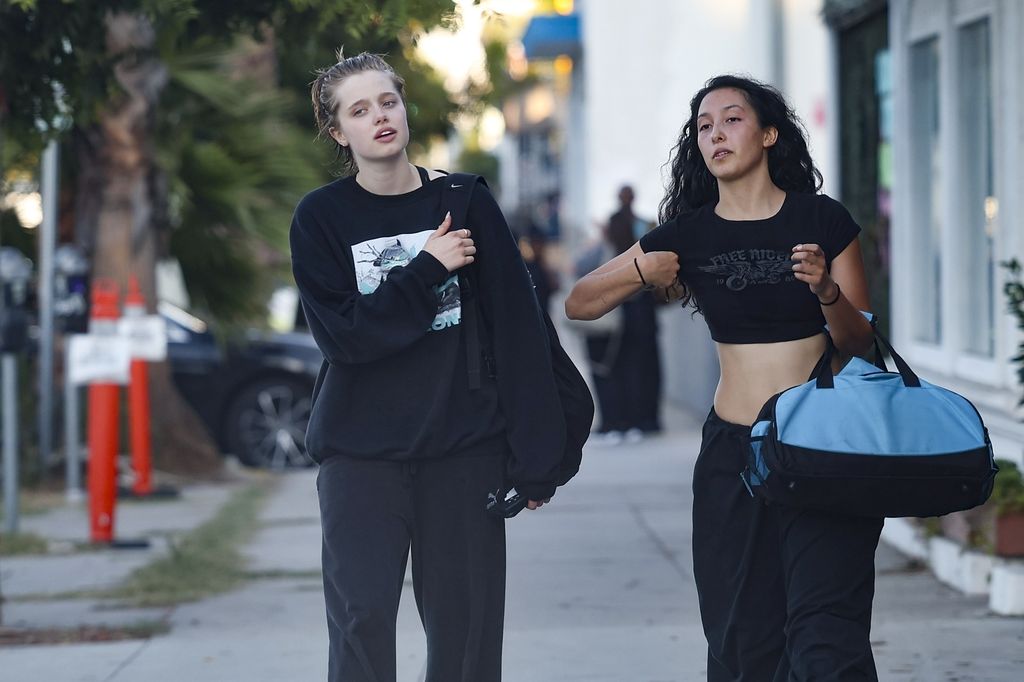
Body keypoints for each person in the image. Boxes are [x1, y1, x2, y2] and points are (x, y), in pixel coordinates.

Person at [566, 75, 880, 681]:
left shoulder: (823, 219)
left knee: (828, 636)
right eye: (704, 126)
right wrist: (640, 265)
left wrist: (826, 290)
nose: (716, 134)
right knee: (741, 634)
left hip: (821, 447)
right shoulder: (689, 234)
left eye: (731, 120)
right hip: (732, 454)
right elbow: (580, 303)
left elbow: (860, 341)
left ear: (767, 135)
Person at [291, 51, 568, 682]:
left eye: (387, 102)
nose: (379, 118)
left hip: (462, 453)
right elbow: (346, 338)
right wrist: (428, 268)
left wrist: (536, 458)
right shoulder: (321, 217)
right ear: (339, 132)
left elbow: (519, 332)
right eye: (359, 110)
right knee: (360, 627)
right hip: (359, 458)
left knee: (466, 640)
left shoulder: (464, 201)